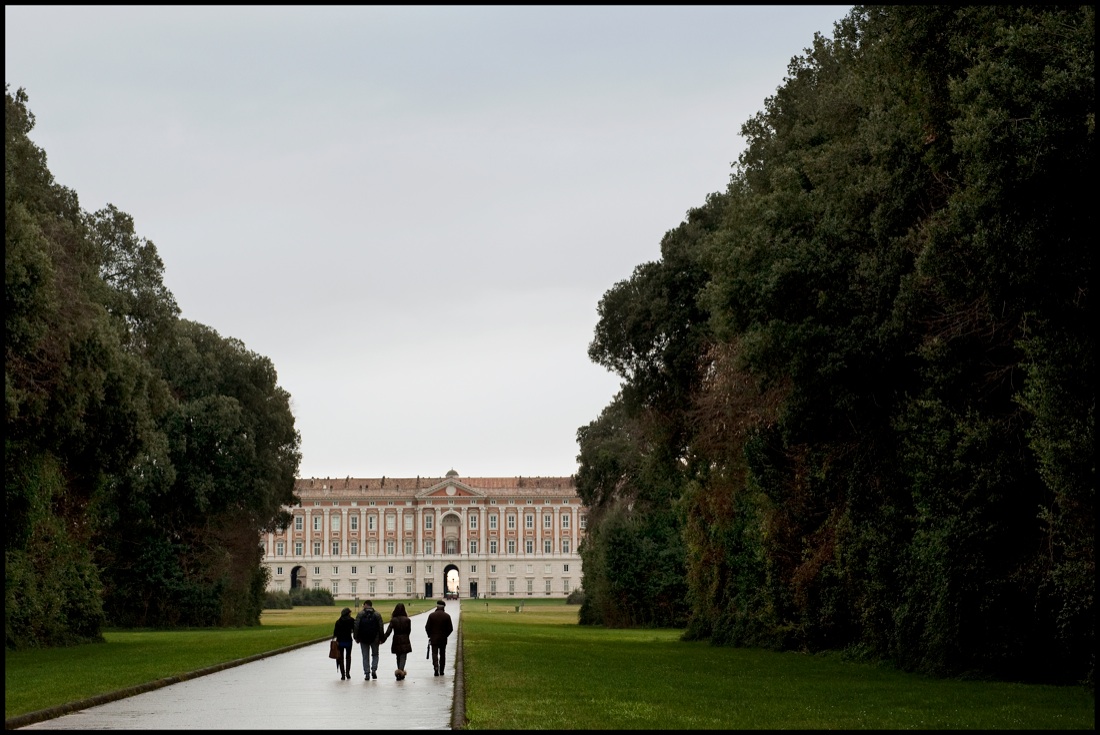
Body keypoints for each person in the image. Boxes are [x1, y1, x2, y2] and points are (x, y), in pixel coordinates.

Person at [380, 602, 413, 679]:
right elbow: (409, 631)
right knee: (403, 656)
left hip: (396, 638)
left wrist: (383, 639)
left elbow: (388, 631)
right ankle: (401, 671)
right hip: (405, 638)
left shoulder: (393, 620)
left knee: (398, 656)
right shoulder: (407, 620)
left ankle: (399, 671)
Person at [354, 599, 383, 680]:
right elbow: (381, 627)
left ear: (366, 605)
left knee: (365, 656)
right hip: (375, 637)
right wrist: (381, 638)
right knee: (375, 654)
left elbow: (356, 626)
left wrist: (356, 637)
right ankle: (374, 670)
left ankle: (367, 673)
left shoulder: (360, 614)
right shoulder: (377, 614)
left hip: (363, 638)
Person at [424, 599, 454, 676]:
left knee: (434, 654)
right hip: (443, 638)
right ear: (444, 607)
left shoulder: (431, 615)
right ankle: (442, 670)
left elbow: (427, 627)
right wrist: (445, 635)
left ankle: (436, 667)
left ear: (437, 606)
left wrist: (430, 635)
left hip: (434, 638)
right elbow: (450, 629)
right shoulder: (447, 616)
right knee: (442, 654)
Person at [332, 607, 355, 680]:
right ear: (348, 613)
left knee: (340, 658)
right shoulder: (351, 620)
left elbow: (335, 633)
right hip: (348, 640)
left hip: (340, 641)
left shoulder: (338, 622)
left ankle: (343, 674)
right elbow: (355, 629)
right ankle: (348, 673)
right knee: (348, 657)